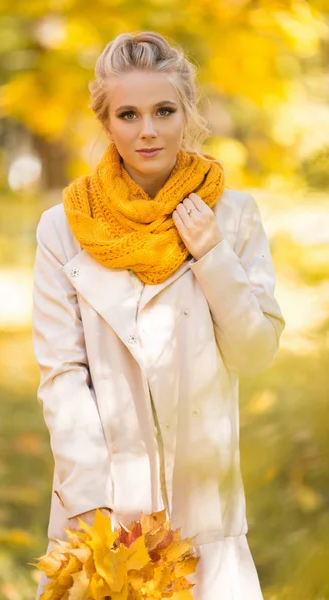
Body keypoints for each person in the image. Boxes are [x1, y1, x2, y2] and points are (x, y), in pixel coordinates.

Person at [31, 30, 285, 600]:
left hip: (207, 512)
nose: (147, 130)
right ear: (107, 123)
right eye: (129, 114)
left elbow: (255, 352)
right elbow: (62, 373)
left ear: (187, 114)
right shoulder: (64, 227)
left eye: (164, 110)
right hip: (105, 507)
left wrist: (213, 256)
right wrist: (93, 506)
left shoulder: (233, 215)